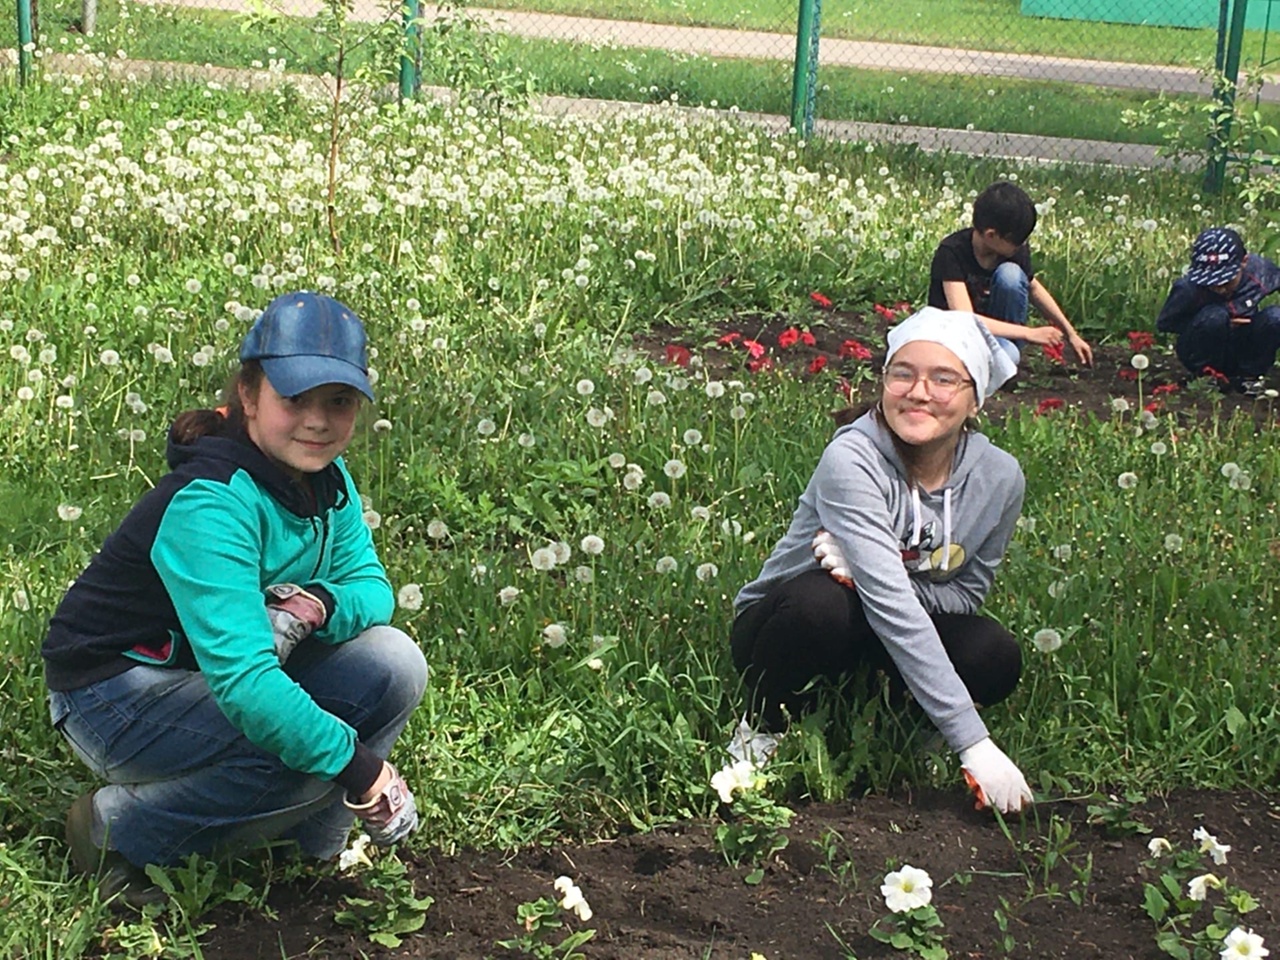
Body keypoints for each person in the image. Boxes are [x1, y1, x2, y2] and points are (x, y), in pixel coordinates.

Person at [43, 291, 428, 904]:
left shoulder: (327, 480)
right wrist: (360, 769)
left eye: (339, 401)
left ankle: (311, 852)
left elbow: (373, 591)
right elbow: (249, 686)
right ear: (249, 395)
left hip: (206, 672)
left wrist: (317, 603)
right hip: (112, 694)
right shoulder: (210, 502)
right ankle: (120, 829)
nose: (317, 421)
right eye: (294, 398)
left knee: (394, 662)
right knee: (308, 756)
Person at [728, 306, 1033, 815]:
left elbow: (966, 595)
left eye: (944, 379)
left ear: (976, 397)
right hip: (787, 627)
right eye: (903, 374)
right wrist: (974, 743)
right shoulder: (852, 458)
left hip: (885, 629)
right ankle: (764, 725)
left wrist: (884, 576)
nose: (919, 392)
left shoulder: (1000, 478)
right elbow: (888, 605)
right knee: (820, 605)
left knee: (993, 653)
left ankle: (904, 725)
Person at [928, 180, 1094, 369]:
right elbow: (965, 319)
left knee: (1011, 275)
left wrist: (1071, 334)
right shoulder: (952, 252)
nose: (1022, 245)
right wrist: (1028, 333)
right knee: (1006, 357)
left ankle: (1003, 355)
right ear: (991, 235)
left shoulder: (1012, 251)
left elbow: (1033, 288)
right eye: (1016, 240)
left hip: (998, 336)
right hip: (955, 336)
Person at [1155, 226, 1280, 394]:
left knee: (1275, 317)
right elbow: (1165, 323)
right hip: (1202, 345)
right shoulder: (1188, 289)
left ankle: (1250, 377)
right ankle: (1206, 378)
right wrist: (1216, 322)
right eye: (1211, 282)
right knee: (1215, 317)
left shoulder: (1261, 272)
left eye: (1227, 281)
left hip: (1246, 343)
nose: (1220, 288)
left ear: (1244, 262)